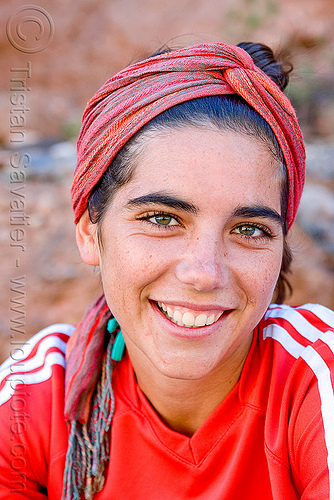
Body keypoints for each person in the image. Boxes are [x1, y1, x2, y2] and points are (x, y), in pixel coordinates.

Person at [0, 40, 334, 500]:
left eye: (250, 229)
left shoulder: (313, 382)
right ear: (86, 231)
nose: (205, 273)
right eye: (162, 219)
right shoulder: (36, 401)